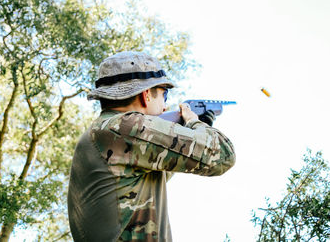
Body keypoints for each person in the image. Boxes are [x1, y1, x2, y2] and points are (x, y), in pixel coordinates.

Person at [67, 51, 236, 242]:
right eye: (164, 95)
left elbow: (163, 169)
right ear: (146, 95)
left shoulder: (104, 132)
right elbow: (222, 155)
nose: (165, 107)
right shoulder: (124, 127)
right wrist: (195, 124)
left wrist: (192, 133)